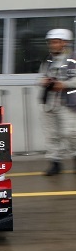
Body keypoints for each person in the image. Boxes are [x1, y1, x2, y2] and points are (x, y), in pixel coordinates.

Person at [38, 28, 76, 176]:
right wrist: (44, 81)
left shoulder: (73, 59)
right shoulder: (47, 60)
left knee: (70, 133)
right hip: (49, 103)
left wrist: (64, 84)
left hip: (67, 103)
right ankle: (55, 163)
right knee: (51, 134)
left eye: (56, 42)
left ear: (64, 43)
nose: (53, 45)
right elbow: (41, 76)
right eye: (51, 42)